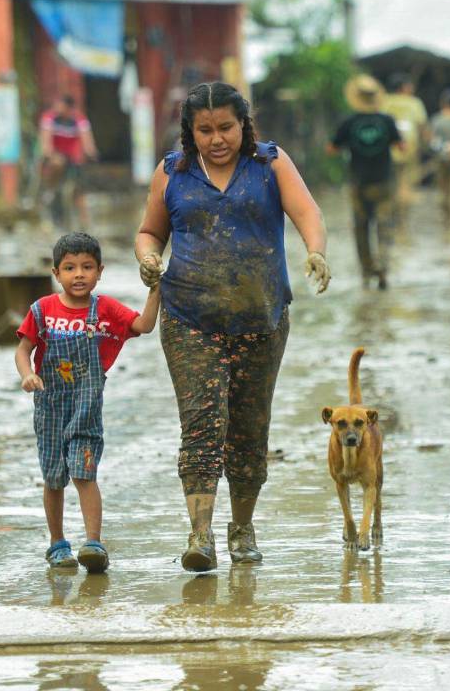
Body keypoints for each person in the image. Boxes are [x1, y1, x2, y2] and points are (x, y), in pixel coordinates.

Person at [134, 81, 329, 573]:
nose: (217, 138)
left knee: (248, 428)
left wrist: (316, 250)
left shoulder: (269, 163)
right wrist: (148, 257)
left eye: (226, 127)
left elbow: (306, 212)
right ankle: (200, 534)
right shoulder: (172, 171)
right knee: (201, 425)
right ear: (190, 132)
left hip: (262, 317)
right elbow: (149, 231)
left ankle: (241, 526)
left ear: (244, 125)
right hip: (188, 318)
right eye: (205, 130)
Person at [15, 232, 160, 572]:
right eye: (69, 268)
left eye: (87, 267)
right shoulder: (41, 310)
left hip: (86, 411)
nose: (78, 274)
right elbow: (23, 351)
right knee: (54, 478)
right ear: (56, 273)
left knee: (84, 474)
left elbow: (144, 325)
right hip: (49, 410)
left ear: (100, 271)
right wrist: (26, 376)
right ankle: (57, 544)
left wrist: (156, 290)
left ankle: (94, 543)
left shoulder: (106, 309)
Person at [329, 74, 401, 289]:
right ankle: (383, 267)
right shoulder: (387, 121)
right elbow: (401, 146)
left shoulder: (349, 122)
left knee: (361, 227)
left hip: (358, 182)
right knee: (384, 225)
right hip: (384, 181)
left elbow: (331, 148)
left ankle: (366, 271)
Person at [39, 95, 99, 229]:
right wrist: (48, 153)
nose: (56, 108)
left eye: (60, 105)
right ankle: (50, 190)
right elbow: (45, 140)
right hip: (57, 156)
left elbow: (87, 140)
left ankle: (84, 223)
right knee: (57, 163)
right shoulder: (49, 118)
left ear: (68, 108)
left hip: (73, 157)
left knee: (79, 190)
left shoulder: (79, 120)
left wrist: (91, 153)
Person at [382, 73, 428, 221]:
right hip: (409, 149)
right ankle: (402, 224)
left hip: (387, 150)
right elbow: (422, 127)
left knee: (389, 185)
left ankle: (389, 221)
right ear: (404, 87)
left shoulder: (384, 101)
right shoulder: (414, 103)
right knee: (405, 186)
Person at [427, 91, 450, 240]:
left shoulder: (436, 120)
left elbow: (431, 141)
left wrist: (441, 149)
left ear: (443, 103)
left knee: (445, 194)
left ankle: (447, 223)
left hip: (442, 160)